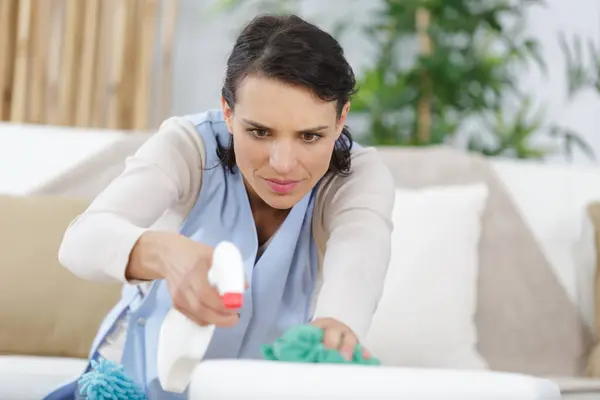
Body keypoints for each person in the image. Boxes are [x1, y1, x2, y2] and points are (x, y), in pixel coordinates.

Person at [45, 13, 395, 399]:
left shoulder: (356, 177)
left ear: (341, 117)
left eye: (310, 136)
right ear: (228, 112)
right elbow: (80, 241)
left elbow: (360, 254)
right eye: (259, 132)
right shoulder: (188, 146)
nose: (282, 162)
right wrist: (164, 252)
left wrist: (335, 323)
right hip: (132, 386)